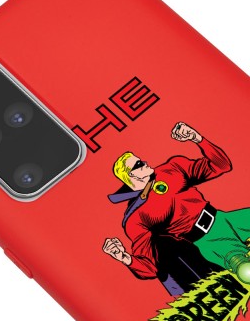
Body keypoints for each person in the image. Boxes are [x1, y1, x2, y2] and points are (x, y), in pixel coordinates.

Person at [103, 122, 250, 292]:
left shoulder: (171, 169)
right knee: (243, 268)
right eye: (138, 164)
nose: (144, 162)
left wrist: (197, 138)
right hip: (208, 240)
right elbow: (150, 265)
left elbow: (221, 165)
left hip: (225, 219)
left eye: (141, 160)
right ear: (130, 175)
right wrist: (124, 258)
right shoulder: (136, 217)